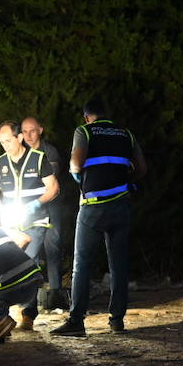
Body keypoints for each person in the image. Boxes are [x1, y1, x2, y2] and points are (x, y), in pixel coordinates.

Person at [51, 97, 147, 338]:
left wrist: (79, 179)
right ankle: (117, 321)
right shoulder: (126, 134)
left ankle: (76, 322)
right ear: (107, 114)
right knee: (119, 266)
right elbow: (142, 169)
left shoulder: (84, 131)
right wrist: (126, 183)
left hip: (93, 206)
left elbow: (75, 163)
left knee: (82, 265)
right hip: (121, 206)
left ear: (87, 117)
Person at [0, 121, 58, 330]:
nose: (5, 145)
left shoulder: (38, 159)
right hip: (10, 224)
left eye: (8, 140)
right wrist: (0, 207)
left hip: (35, 221)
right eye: (1, 142)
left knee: (28, 261)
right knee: (6, 266)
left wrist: (35, 204)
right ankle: (4, 316)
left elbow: (53, 188)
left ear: (19, 138)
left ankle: (28, 315)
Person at [21, 115, 68, 310]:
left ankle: (55, 293)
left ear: (40, 130)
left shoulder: (49, 151)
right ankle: (29, 297)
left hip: (51, 206)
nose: (28, 135)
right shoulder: (21, 154)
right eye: (24, 131)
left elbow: (50, 182)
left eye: (32, 130)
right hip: (28, 209)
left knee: (52, 248)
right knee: (29, 251)